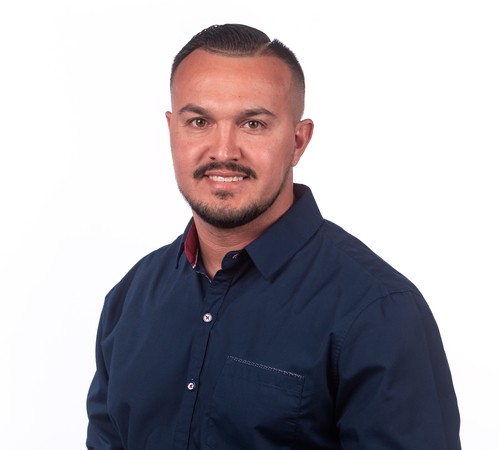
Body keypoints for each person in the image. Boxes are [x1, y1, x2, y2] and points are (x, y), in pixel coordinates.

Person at [86, 24, 461, 450]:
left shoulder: (378, 313)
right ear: (173, 130)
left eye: (252, 123)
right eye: (199, 121)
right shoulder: (129, 300)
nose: (223, 151)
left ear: (298, 141)